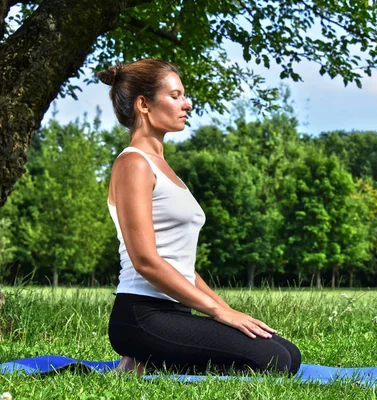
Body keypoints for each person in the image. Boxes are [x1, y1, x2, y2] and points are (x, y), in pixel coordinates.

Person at [98, 59, 301, 375]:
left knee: (288, 353)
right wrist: (218, 315)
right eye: (176, 95)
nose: (187, 104)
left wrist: (227, 310)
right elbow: (146, 261)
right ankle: (142, 358)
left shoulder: (162, 167)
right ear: (144, 105)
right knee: (274, 362)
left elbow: (181, 268)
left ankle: (146, 361)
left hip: (175, 313)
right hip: (142, 315)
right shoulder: (133, 165)